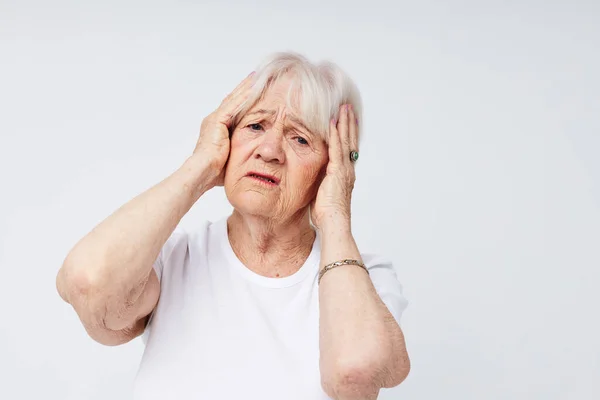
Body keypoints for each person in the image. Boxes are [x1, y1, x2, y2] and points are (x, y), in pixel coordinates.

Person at [56, 51, 410, 400]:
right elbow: (88, 282)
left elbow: (353, 375)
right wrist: (202, 166)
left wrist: (335, 213)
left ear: (332, 167)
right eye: (255, 125)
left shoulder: (365, 279)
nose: (269, 150)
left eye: (299, 138)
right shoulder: (173, 258)